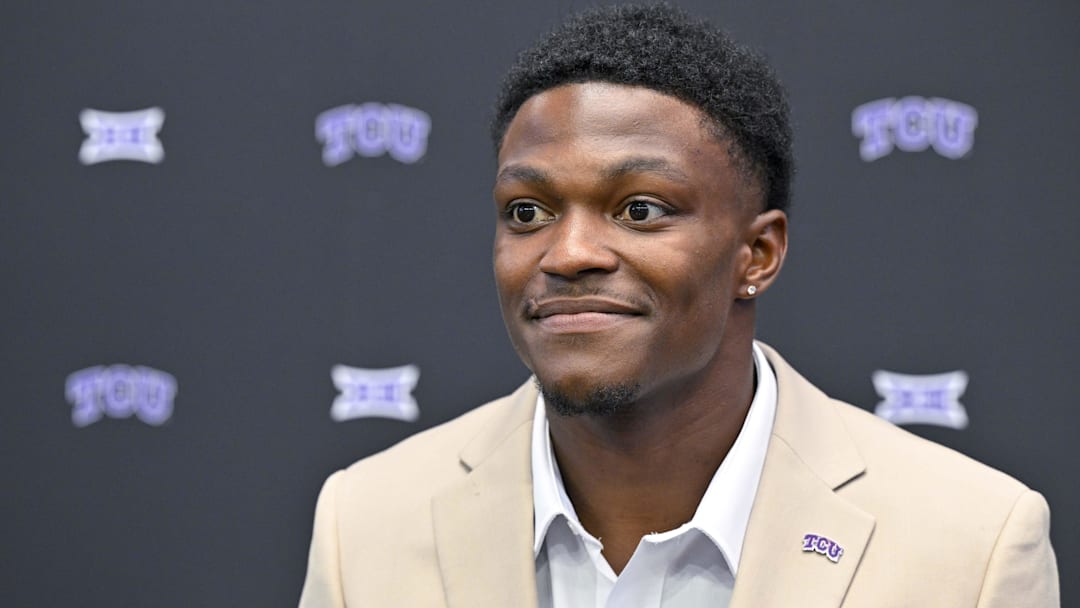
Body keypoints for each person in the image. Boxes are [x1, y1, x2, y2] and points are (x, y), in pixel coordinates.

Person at [298, 5, 1059, 607]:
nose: (567, 254)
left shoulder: (972, 545)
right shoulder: (364, 521)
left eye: (640, 210)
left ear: (756, 255)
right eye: (527, 212)